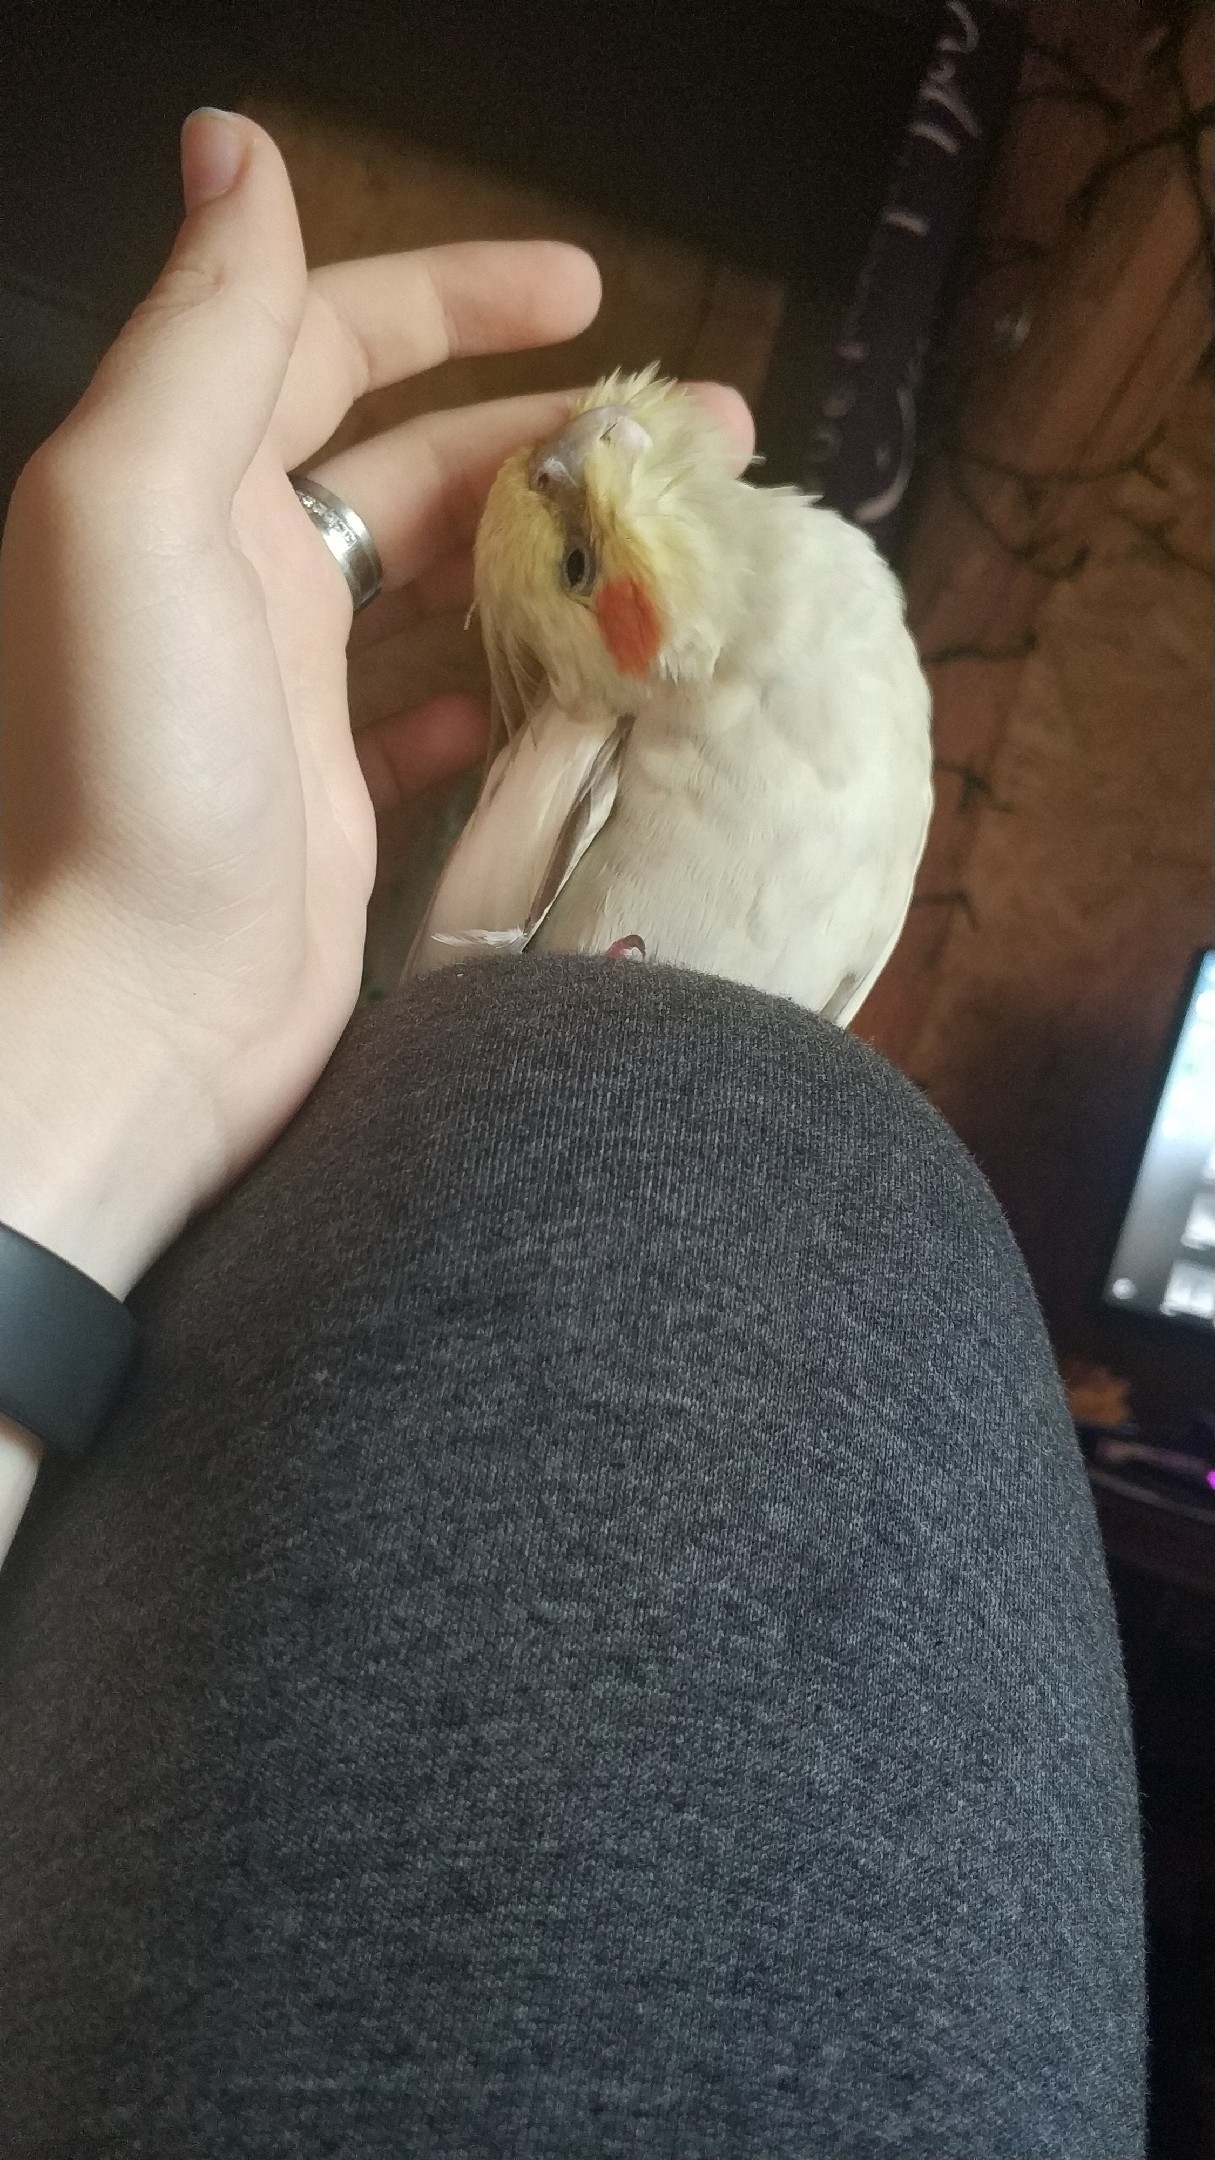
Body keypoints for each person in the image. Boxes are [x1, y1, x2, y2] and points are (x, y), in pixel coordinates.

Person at [0, 112, 1144, 2158]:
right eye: (590, 598)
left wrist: (118, 1024)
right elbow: (468, 992)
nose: (622, 629)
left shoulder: (858, 674)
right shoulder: (593, 735)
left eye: (603, 567)